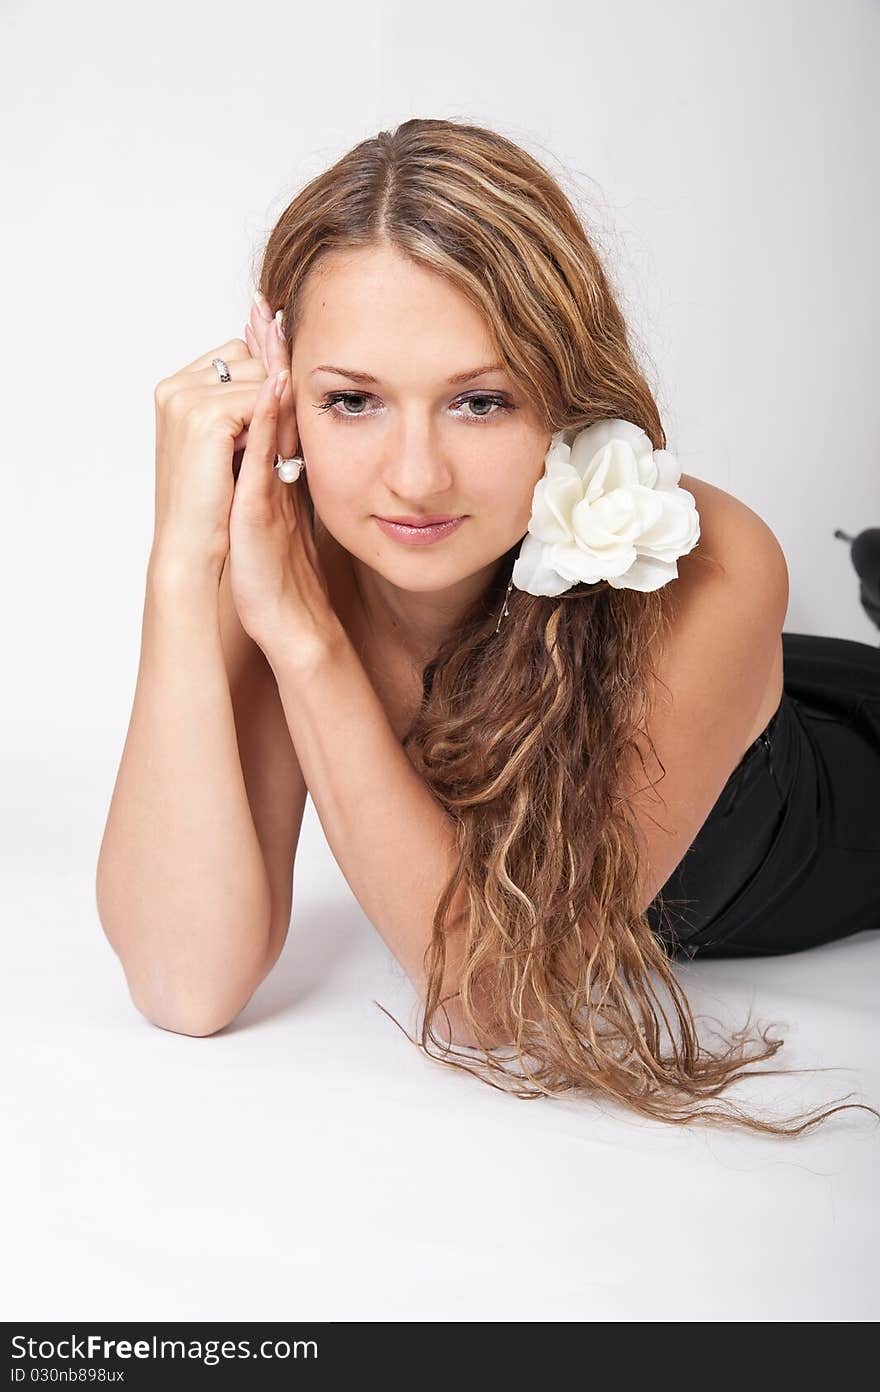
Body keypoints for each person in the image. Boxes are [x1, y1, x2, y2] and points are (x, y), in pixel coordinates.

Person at [96, 118, 879, 1136]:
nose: (415, 478)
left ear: (560, 392)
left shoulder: (714, 558)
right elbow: (182, 984)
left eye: (477, 400)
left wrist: (307, 645)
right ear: (283, 399)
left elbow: (491, 996)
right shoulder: (286, 559)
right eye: (351, 401)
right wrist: (181, 565)